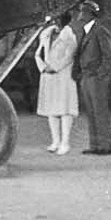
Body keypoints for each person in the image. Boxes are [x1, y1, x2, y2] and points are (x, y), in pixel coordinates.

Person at [73, 0, 111, 155]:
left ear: (89, 14)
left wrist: (100, 74)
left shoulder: (99, 30)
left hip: (95, 78)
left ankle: (105, 146)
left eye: (82, 11)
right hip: (86, 77)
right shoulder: (86, 31)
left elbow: (108, 55)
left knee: (100, 111)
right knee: (91, 111)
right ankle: (95, 145)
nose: (79, 14)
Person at [33, 13, 78, 155]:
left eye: (57, 19)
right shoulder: (46, 34)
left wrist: (55, 67)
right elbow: (38, 52)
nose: (54, 22)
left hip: (63, 75)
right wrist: (43, 67)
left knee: (65, 109)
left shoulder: (69, 35)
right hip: (48, 75)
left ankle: (65, 143)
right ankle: (55, 141)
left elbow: (69, 56)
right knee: (51, 109)